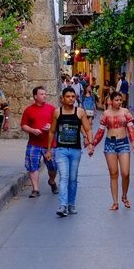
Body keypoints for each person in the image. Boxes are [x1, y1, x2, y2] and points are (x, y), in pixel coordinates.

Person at [50, 86, 94, 217]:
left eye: (73, 97)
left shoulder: (80, 112)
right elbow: (52, 131)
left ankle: (71, 204)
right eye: (68, 97)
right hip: (61, 149)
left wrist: (90, 143)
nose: (71, 99)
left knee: (73, 179)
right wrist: (48, 149)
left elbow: (88, 129)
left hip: (75, 150)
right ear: (62, 98)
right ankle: (62, 205)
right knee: (64, 177)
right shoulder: (57, 113)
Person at [89, 92, 134, 210]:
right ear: (110, 101)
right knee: (113, 174)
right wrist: (93, 144)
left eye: (120, 100)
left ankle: (124, 196)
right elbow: (100, 132)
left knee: (125, 173)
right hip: (110, 144)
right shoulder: (106, 114)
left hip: (123, 143)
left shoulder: (125, 112)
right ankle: (115, 202)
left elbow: (131, 128)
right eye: (116, 100)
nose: (119, 102)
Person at [20, 86, 58, 198]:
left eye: (45, 94)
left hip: (50, 144)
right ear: (35, 96)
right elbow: (23, 126)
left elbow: (58, 124)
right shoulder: (28, 110)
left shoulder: (52, 109)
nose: (44, 96)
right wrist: (32, 130)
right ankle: (35, 189)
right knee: (33, 166)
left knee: (53, 167)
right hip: (34, 143)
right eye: (41, 94)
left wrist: (51, 127)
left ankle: (52, 181)